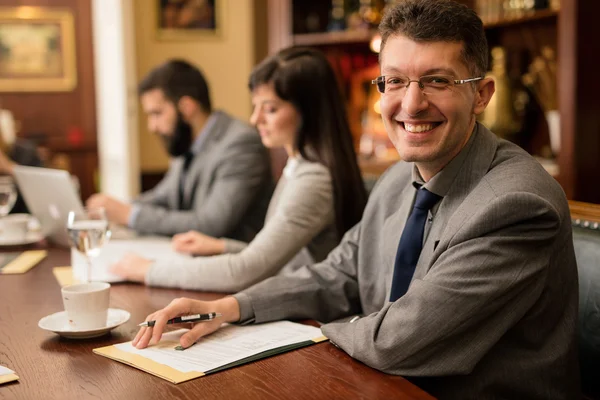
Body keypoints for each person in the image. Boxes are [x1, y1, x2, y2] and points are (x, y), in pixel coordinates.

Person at [132, 1, 580, 398]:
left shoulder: (517, 203)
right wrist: (230, 308)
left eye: (437, 81)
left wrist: (302, 335)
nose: (412, 103)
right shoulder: (395, 180)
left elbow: (396, 342)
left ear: (481, 94)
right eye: (395, 81)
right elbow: (337, 274)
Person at [110, 48, 368, 292]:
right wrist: (222, 246)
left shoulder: (313, 178)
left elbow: (246, 270)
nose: (255, 120)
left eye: (270, 109)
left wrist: (151, 270)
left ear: (308, 112)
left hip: (310, 317)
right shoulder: (298, 166)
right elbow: (273, 258)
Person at [87, 60, 273, 240]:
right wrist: (111, 209)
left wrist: (130, 215)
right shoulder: (185, 140)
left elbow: (211, 224)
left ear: (186, 107)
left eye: (156, 113)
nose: (152, 127)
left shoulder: (241, 143)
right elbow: (162, 197)